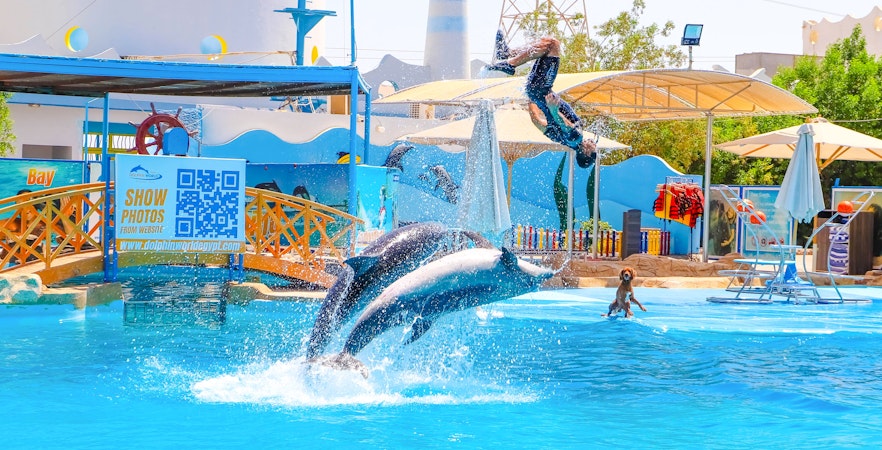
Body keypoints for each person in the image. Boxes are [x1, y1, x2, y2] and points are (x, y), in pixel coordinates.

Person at [487, 31, 597, 168]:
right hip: (535, 91)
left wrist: (554, 110)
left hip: (543, 88)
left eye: (594, 151)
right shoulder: (559, 139)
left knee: (552, 45)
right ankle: (508, 54)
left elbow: (565, 124)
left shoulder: (576, 138)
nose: (595, 146)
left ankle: (510, 62)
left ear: (586, 153)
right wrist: (532, 98)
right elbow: (536, 120)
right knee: (546, 45)